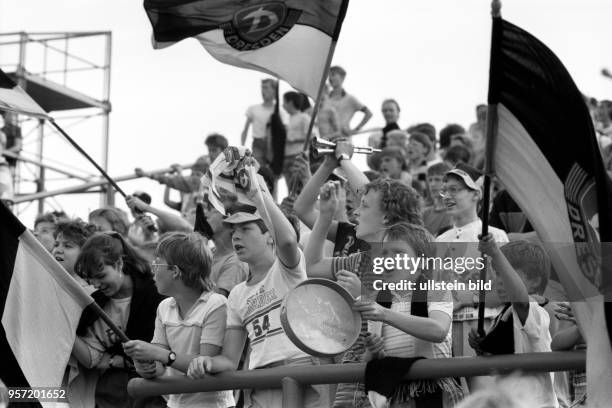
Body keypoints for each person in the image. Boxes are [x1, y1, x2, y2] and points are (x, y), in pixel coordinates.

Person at [187, 158, 330, 408]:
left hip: (304, 370)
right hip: (261, 380)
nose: (237, 237)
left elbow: (287, 240)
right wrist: (207, 362)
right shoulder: (237, 294)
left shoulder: (287, 269)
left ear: (269, 238)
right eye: (233, 232)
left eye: (246, 229)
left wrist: (258, 191)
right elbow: (230, 360)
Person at [305, 178, 422, 408]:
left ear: (386, 217)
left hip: (388, 380)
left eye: (365, 206)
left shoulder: (413, 260)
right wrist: (325, 216)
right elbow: (313, 265)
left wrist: (363, 294)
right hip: (354, 371)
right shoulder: (361, 259)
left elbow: (407, 314)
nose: (356, 212)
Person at [122, 232, 235, 408]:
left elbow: (204, 364)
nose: (152, 270)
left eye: (157, 263)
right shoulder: (164, 307)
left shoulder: (215, 304)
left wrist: (159, 354)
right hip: (175, 404)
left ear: (174, 271)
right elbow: (159, 366)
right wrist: (145, 364)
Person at [355, 222, 462, 407]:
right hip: (394, 395)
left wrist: (384, 314)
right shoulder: (379, 301)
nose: (388, 259)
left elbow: (438, 330)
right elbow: (369, 360)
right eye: (384, 253)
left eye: (398, 253)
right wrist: (373, 351)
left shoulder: (436, 289)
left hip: (432, 390)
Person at [72, 232, 165, 408]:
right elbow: (91, 357)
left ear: (119, 263)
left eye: (101, 276)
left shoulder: (158, 293)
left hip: (154, 394)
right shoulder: (95, 305)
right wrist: (65, 330)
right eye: (90, 279)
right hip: (111, 396)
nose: (96, 284)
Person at [470, 236, 558, 408]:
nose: (498, 280)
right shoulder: (504, 315)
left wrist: (495, 253)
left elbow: (521, 300)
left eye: (506, 273)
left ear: (534, 281)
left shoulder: (534, 310)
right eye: (497, 273)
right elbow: (496, 364)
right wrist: (481, 346)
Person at [435, 164, 508, 364]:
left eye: (455, 189)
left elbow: (509, 291)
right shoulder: (439, 240)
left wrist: (471, 297)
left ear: (476, 194)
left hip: (483, 327)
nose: (448, 195)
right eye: (445, 190)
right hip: (445, 330)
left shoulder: (496, 235)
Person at [294, 141, 371, 257]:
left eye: (354, 192)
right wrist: (328, 165)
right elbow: (302, 210)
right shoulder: (348, 233)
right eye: (347, 191)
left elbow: (370, 196)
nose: (349, 198)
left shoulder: (390, 237)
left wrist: (344, 158)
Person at [327, 66, 372, 138]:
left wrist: (355, 130)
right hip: (325, 139)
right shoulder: (325, 99)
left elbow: (369, 113)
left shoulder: (350, 99)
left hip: (342, 141)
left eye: (333, 75)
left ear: (342, 77)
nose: (330, 78)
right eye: (329, 76)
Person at [242, 78, 277, 163]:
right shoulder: (253, 109)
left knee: (272, 172)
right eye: (262, 88)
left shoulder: (280, 111)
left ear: (274, 90)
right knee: (258, 169)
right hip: (258, 144)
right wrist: (242, 147)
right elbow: (245, 130)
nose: (262, 91)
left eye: (266, 88)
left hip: (274, 144)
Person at [281, 91, 311, 186]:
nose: (283, 105)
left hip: (298, 155)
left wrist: (294, 139)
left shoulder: (304, 117)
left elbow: (311, 137)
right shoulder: (286, 118)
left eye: (284, 102)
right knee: (290, 186)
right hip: (286, 156)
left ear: (290, 103)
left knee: (298, 186)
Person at [422, 162, 452, 236]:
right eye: (430, 180)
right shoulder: (424, 213)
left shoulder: (454, 213)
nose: (432, 184)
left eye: (437, 180)